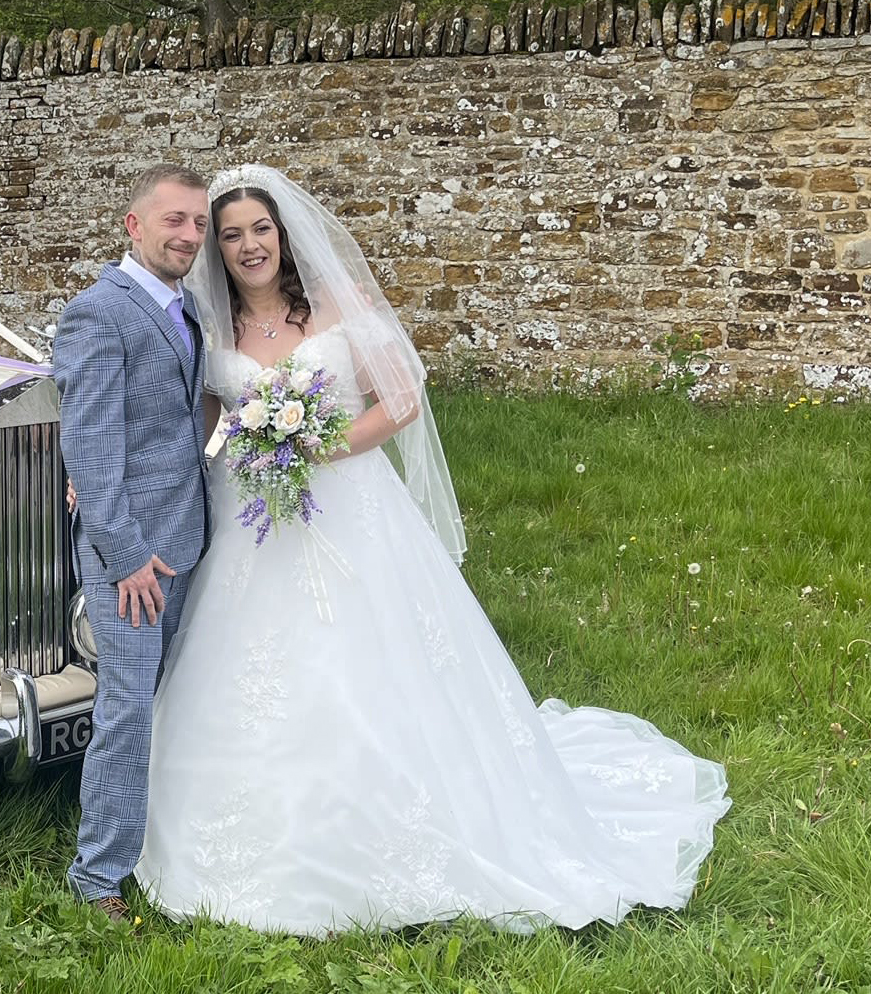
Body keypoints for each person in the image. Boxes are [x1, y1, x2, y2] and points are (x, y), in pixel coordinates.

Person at [133, 163, 731, 936]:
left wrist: (322, 442)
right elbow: (206, 421)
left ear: (284, 235)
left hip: (350, 504)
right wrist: (216, 461)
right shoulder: (211, 328)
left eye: (261, 230)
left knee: (374, 661)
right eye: (232, 235)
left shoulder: (337, 307)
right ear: (216, 248)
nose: (250, 247)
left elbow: (404, 396)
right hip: (256, 520)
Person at [52, 164, 213, 922]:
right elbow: (88, 446)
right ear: (134, 225)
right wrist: (122, 555)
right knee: (127, 711)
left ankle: (164, 843)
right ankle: (97, 876)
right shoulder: (97, 313)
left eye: (198, 224)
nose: (188, 235)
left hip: (186, 536)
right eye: (174, 220)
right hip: (133, 560)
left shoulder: (185, 310)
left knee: (174, 700)